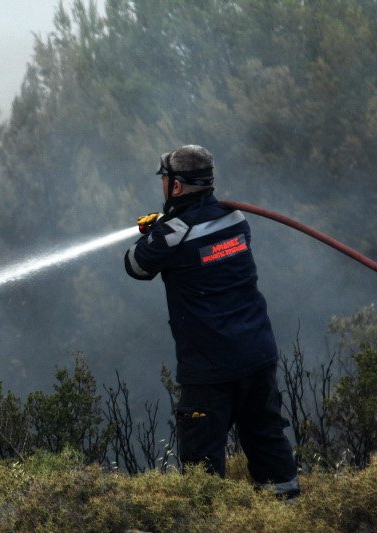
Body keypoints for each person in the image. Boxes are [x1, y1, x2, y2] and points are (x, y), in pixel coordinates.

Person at [124, 144, 300, 499]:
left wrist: (159, 230)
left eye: (165, 180)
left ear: (176, 187)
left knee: (202, 468)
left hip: (211, 366)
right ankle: (289, 510)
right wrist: (167, 225)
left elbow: (136, 265)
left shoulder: (171, 234)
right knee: (267, 438)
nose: (163, 185)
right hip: (256, 354)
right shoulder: (236, 219)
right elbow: (203, 240)